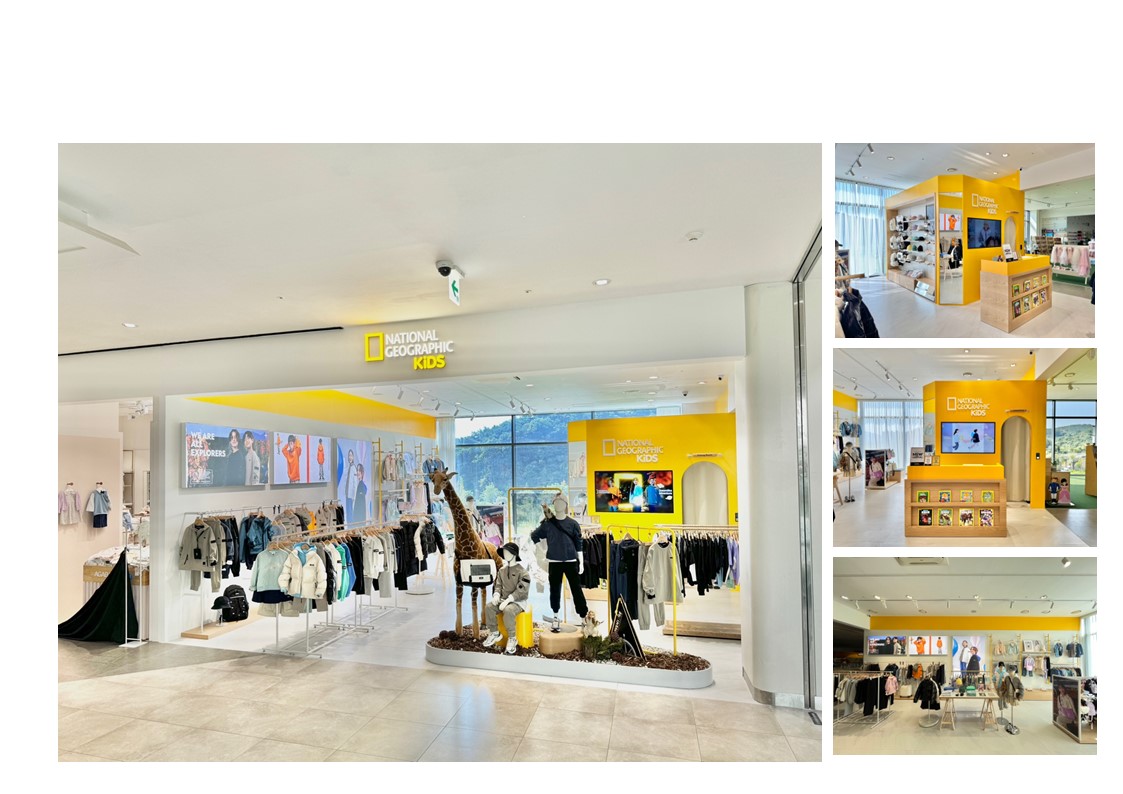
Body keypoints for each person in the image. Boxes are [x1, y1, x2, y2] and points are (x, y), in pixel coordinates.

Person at [530, 494, 589, 631]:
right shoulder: (548, 524)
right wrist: (543, 550)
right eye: (556, 503)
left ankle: (583, 616)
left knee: (576, 589)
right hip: (554, 561)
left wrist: (580, 561)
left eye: (561, 502)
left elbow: (578, 543)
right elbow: (534, 535)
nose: (558, 505)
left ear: (566, 505)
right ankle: (555, 616)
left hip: (570, 560)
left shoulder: (573, 524)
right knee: (555, 590)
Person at [481, 542, 531, 654]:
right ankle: (494, 632)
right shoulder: (502, 570)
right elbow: (498, 585)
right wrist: (496, 595)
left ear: (514, 554)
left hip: (518, 601)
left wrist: (509, 600)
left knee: (508, 610)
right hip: (503, 599)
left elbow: (522, 590)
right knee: (489, 607)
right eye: (504, 552)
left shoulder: (523, 572)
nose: (505, 554)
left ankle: (512, 638)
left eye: (508, 552)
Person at [342, 449, 358, 519]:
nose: (350, 457)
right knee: (348, 512)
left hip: (351, 495)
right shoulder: (348, 467)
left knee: (350, 512)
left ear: (353, 457)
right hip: (347, 494)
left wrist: (354, 495)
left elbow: (355, 483)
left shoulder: (354, 468)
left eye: (351, 455)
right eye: (349, 455)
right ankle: (349, 524)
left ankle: (351, 524)